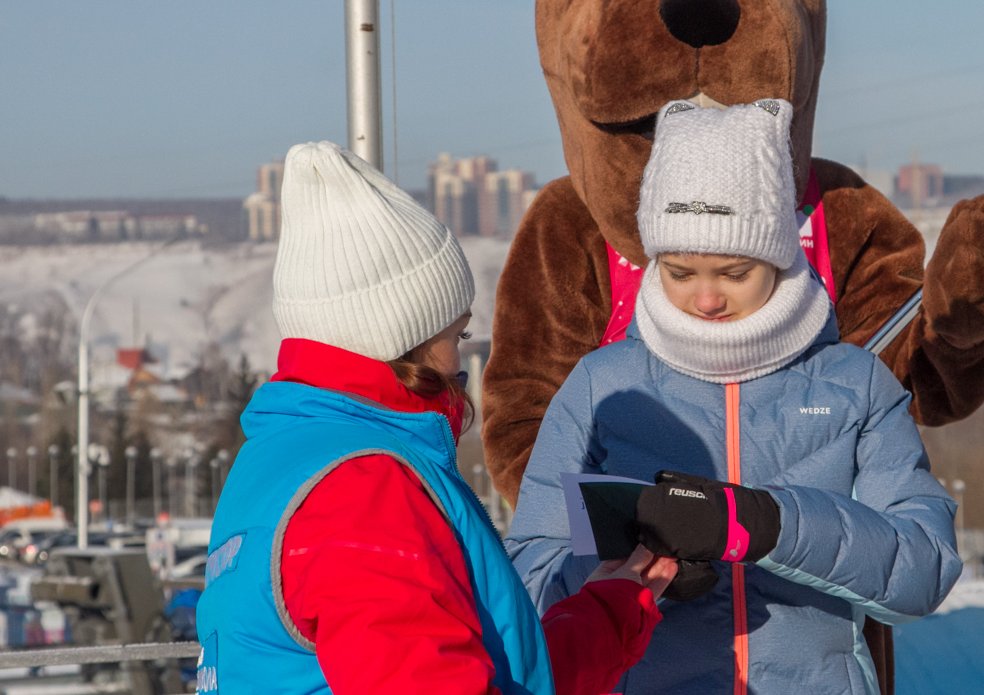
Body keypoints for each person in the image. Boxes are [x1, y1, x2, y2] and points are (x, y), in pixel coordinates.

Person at [506, 100, 961, 695]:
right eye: (679, 272)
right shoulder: (600, 386)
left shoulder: (857, 384)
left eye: (734, 272)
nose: (706, 299)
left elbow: (924, 570)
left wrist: (763, 524)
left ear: (779, 254)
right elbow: (529, 580)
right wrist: (630, 570)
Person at [195, 140, 677, 695]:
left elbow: (474, 672)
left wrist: (610, 615)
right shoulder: (363, 489)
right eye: (457, 334)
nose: (459, 360)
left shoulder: (277, 457)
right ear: (404, 339)